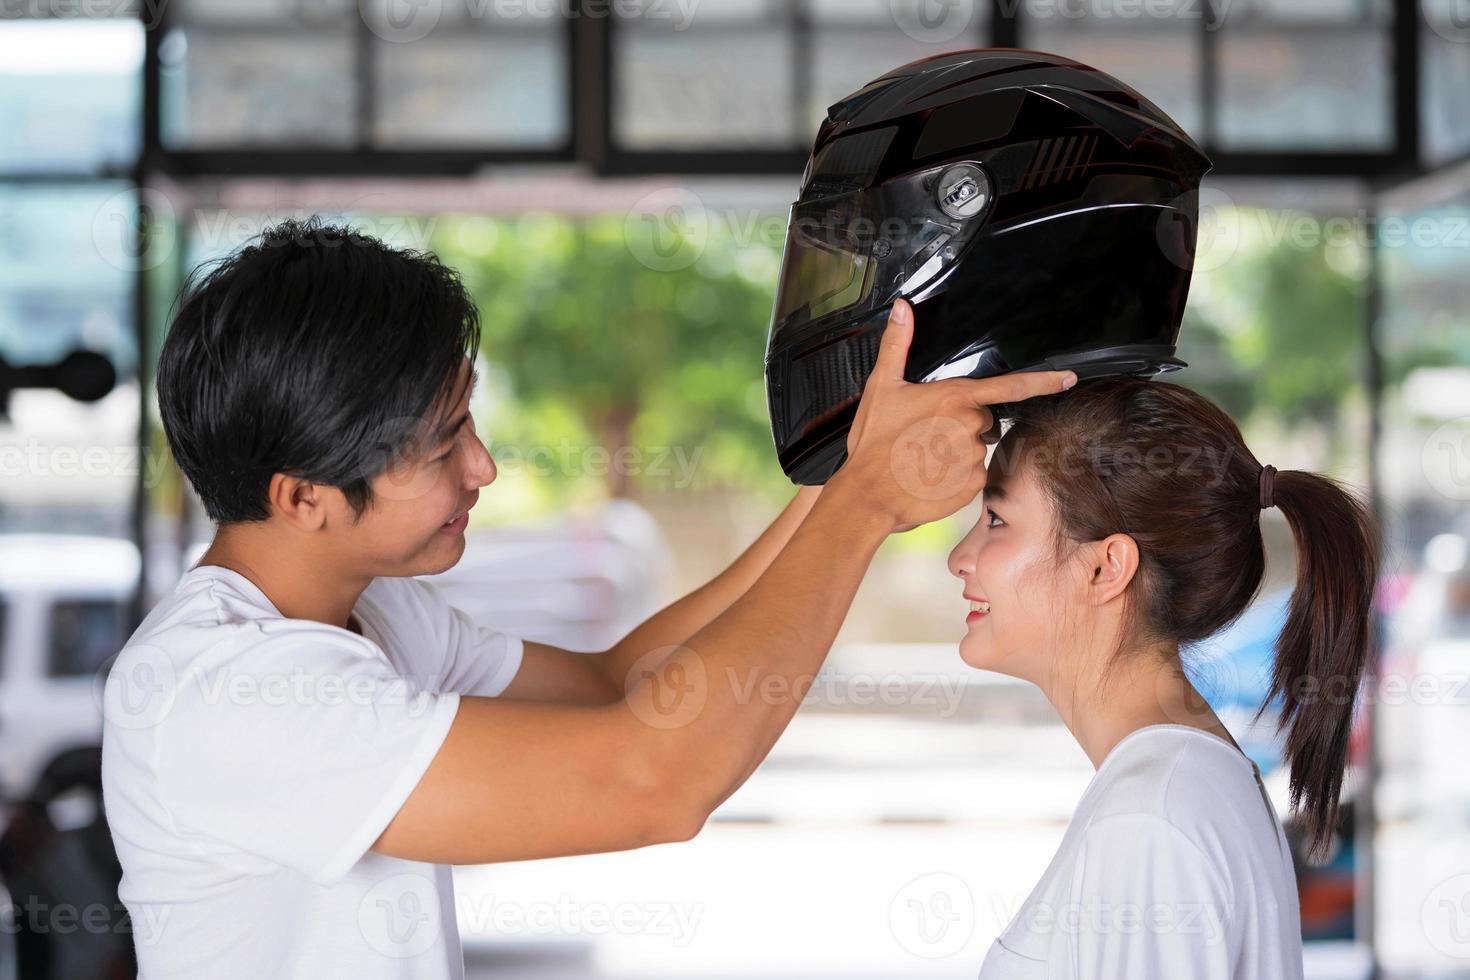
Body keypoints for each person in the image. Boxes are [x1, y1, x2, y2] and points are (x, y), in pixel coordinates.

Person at [99, 218, 1076, 979]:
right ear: (302, 495)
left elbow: (623, 684)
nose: (483, 465)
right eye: (441, 448)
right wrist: (862, 507)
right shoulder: (233, 694)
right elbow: (653, 777)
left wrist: (842, 478)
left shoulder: (370, 612)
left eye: (467, 421)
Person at [948, 377, 1381, 978]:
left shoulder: (1151, 817)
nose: (959, 558)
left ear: (1105, 567)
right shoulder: (1180, 785)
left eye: (995, 519)